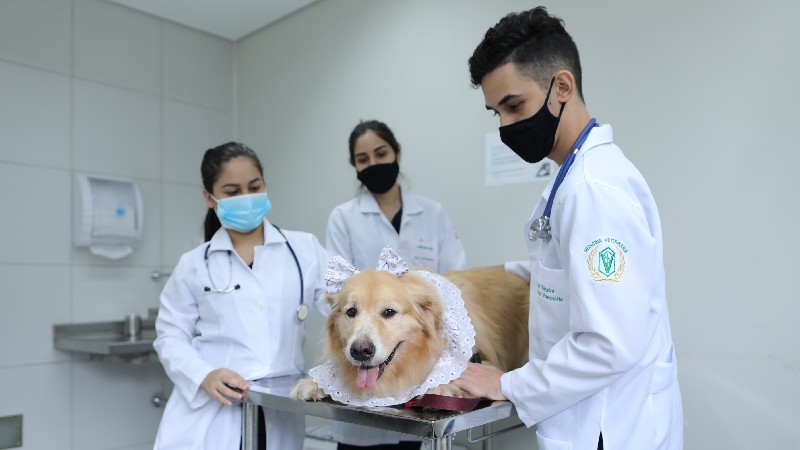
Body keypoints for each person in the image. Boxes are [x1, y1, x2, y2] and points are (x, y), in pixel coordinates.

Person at [452, 7, 683, 450]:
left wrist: (508, 384)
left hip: (607, 429)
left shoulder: (591, 190)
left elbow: (608, 344)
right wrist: (487, 275)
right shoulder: (576, 177)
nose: (504, 125)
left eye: (513, 105)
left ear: (562, 86)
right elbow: (570, 271)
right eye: (495, 112)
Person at [153, 142, 330, 450]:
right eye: (232, 192)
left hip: (279, 409)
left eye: (254, 186)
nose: (246, 198)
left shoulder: (305, 250)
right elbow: (169, 335)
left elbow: (349, 310)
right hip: (211, 415)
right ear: (209, 198)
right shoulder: (194, 264)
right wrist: (204, 375)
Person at [325, 120, 467, 450]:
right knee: (362, 436)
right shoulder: (344, 217)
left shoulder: (432, 213)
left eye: (381, 153)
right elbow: (334, 294)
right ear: (355, 166)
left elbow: (453, 283)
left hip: (417, 367)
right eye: (363, 159)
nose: (373, 164)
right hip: (363, 357)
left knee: (413, 440)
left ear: (397, 153)